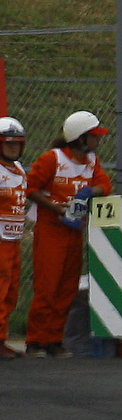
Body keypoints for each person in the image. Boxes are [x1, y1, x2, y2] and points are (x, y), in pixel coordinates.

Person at [25, 110, 112, 358]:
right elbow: (31, 188)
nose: (98, 140)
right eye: (94, 136)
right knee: (47, 287)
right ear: (80, 138)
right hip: (51, 230)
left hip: (74, 231)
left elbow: (105, 185)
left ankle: (53, 339)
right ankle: (36, 341)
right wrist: (56, 208)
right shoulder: (52, 159)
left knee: (67, 288)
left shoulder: (92, 161)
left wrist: (90, 191)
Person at [0, 117, 27, 358]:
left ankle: (2, 337)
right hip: (0, 241)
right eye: (8, 143)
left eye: (17, 144)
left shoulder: (19, 170)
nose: (13, 148)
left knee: (10, 291)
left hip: (13, 238)